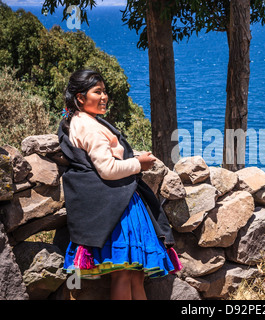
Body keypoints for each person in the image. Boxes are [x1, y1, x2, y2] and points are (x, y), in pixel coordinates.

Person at [58, 69, 181, 300]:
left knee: (133, 275)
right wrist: (138, 164)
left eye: (105, 91)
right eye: (97, 92)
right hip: (119, 210)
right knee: (125, 275)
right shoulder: (90, 127)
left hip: (118, 205)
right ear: (80, 98)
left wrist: (132, 158)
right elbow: (107, 169)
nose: (104, 97)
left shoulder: (80, 121)